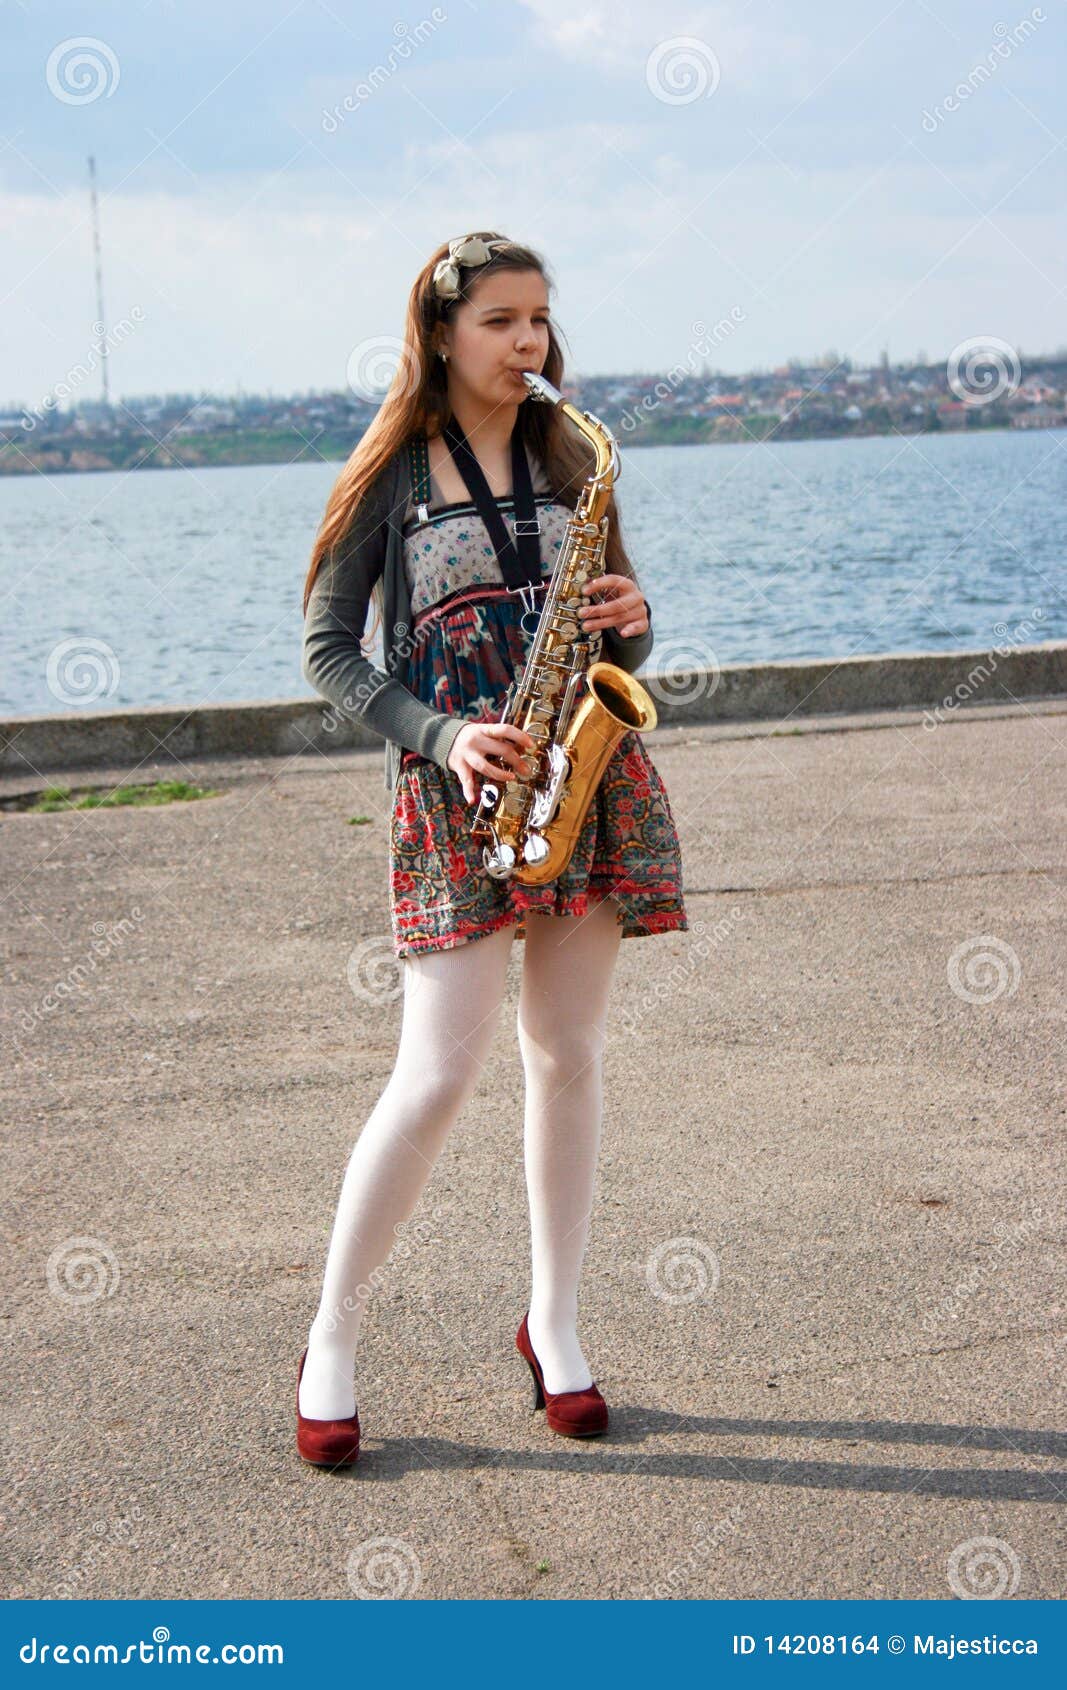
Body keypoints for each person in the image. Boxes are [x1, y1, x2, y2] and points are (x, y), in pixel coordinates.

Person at [296, 231, 687, 1466]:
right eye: (501, 322)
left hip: (584, 778)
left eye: (539, 321)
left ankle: (556, 1326)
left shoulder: (573, 456)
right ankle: (333, 1337)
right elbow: (329, 657)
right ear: (441, 333)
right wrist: (444, 731)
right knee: (434, 1079)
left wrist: (635, 622)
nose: (528, 344)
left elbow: (616, 628)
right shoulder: (389, 479)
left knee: (568, 1056)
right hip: (459, 792)